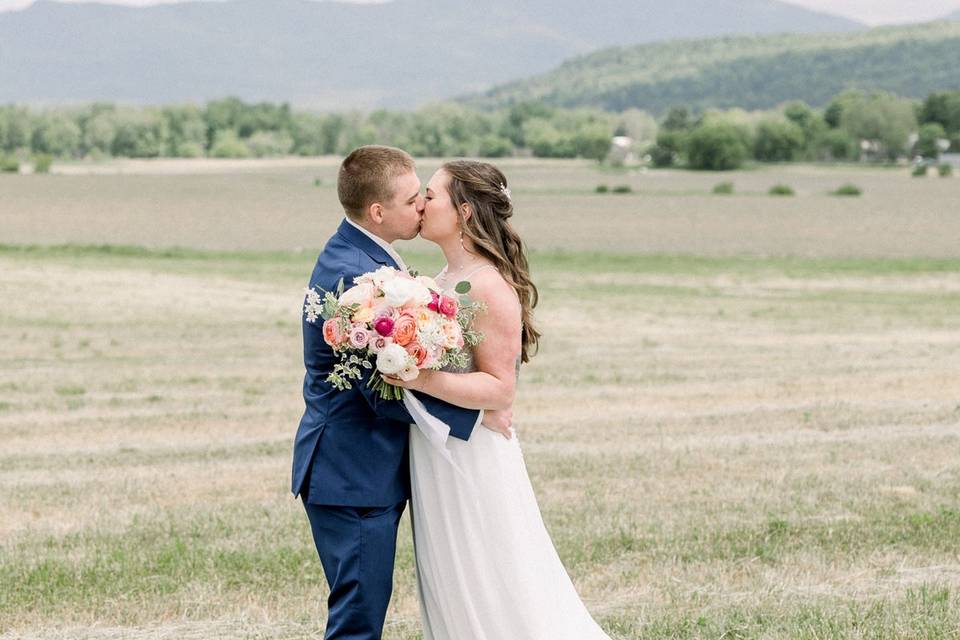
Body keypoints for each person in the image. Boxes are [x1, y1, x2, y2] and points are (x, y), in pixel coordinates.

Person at [291, 146, 512, 640]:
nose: (421, 206)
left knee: (361, 609)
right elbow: (381, 389)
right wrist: (474, 418)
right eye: (414, 198)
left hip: (355, 469)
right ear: (378, 212)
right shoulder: (356, 275)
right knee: (358, 619)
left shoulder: (362, 258)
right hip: (352, 473)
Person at [385, 160, 612, 639]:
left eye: (432, 194)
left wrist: (417, 377)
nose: (421, 204)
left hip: (474, 455)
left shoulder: (487, 285)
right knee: (449, 575)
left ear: (464, 211)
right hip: (437, 452)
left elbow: (499, 389)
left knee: (490, 576)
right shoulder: (443, 279)